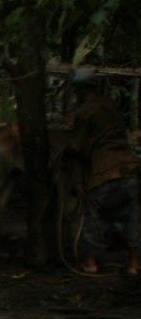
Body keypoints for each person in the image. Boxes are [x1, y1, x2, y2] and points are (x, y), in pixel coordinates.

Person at [63, 69, 139, 275]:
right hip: (128, 170)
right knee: (132, 217)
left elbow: (77, 146)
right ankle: (134, 265)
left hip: (103, 172)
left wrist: (66, 149)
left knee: (94, 217)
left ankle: (90, 262)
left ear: (79, 90)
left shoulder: (85, 111)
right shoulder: (111, 106)